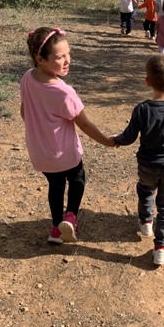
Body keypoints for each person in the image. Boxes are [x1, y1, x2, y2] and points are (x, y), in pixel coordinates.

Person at [20, 27, 113, 244]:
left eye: (68, 54)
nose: (67, 60)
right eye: (60, 57)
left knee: (56, 186)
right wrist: (107, 141)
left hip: (40, 153)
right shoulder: (63, 92)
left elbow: (24, 112)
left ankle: (56, 230)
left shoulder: (27, 78)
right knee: (77, 178)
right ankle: (70, 216)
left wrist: (39, 128)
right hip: (64, 153)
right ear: (40, 59)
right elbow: (85, 124)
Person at [112, 55, 164, 265]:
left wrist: (115, 140)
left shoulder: (142, 109)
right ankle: (161, 247)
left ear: (147, 82)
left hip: (147, 165)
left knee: (145, 191)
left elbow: (128, 137)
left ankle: (146, 221)